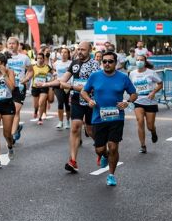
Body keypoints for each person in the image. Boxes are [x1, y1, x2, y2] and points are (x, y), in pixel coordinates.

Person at [81, 54, 138, 187]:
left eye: (110, 61)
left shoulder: (123, 77)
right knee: (99, 150)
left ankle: (111, 175)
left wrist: (127, 102)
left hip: (116, 117)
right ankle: (104, 156)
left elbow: (134, 94)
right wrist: (89, 100)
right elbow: (84, 91)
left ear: (115, 63)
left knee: (113, 147)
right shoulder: (95, 76)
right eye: (104, 61)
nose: (107, 64)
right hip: (98, 118)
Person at [60, 41, 99, 173]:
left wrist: (71, 86)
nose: (80, 52)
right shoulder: (75, 62)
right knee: (75, 127)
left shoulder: (95, 64)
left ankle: (100, 148)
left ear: (89, 50)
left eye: (83, 49)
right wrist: (46, 84)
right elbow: (63, 79)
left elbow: (91, 86)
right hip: (76, 99)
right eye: (79, 49)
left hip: (90, 100)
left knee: (89, 130)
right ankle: (73, 160)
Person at [128, 59, 163, 153]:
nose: (139, 61)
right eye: (137, 60)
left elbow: (160, 84)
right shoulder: (132, 73)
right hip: (138, 100)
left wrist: (153, 92)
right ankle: (143, 145)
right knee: (140, 121)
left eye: (141, 60)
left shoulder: (151, 73)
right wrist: (130, 98)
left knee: (150, 126)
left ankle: (153, 132)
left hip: (150, 101)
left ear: (145, 62)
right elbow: (130, 86)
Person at [4, 37, 33, 143]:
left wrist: (26, 79)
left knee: (15, 111)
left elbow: (30, 71)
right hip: (7, 86)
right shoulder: (4, 57)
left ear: (18, 45)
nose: (11, 45)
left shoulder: (24, 58)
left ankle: (11, 136)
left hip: (19, 87)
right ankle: (16, 128)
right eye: (9, 43)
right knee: (11, 112)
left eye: (13, 44)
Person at [52, 47, 73, 130]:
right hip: (58, 85)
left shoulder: (71, 63)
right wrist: (54, 74)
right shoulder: (56, 63)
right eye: (62, 52)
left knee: (67, 104)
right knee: (60, 102)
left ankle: (67, 121)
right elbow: (53, 71)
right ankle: (60, 121)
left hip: (68, 85)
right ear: (60, 54)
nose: (63, 54)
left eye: (65, 52)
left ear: (68, 54)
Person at [31, 51, 53, 125]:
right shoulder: (33, 67)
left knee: (41, 102)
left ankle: (40, 118)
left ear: (43, 59)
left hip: (44, 87)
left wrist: (51, 80)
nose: (39, 60)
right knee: (36, 105)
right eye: (38, 58)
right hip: (35, 87)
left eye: (41, 58)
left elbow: (53, 74)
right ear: (36, 59)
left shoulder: (47, 67)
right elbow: (28, 74)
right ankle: (35, 110)